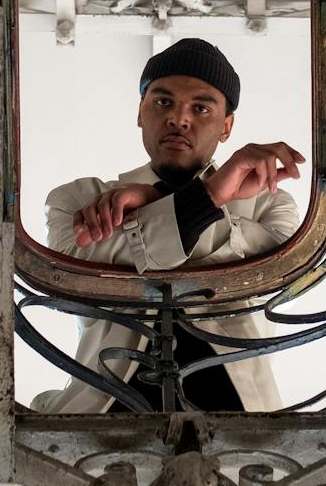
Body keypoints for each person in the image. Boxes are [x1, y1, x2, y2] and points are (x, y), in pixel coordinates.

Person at [32, 38, 305, 414]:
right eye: (162, 102)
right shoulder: (76, 199)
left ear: (226, 127)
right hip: (100, 414)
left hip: (239, 417)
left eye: (201, 107)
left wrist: (155, 201)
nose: (179, 118)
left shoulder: (272, 202)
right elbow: (74, 266)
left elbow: (276, 275)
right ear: (140, 112)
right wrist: (205, 202)